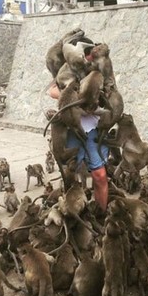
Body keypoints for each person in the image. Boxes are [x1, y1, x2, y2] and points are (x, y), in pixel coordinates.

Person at [49, 83, 109, 213]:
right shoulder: (67, 74)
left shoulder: (98, 74)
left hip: (94, 128)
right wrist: (70, 98)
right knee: (70, 175)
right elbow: (52, 91)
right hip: (69, 130)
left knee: (100, 175)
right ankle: (72, 213)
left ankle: (101, 213)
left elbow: (109, 94)